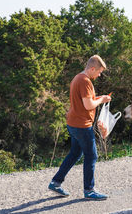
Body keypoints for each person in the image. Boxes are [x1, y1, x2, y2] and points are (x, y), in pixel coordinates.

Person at [48, 55, 111, 200]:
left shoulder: (78, 78)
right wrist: (101, 100)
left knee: (75, 153)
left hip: (73, 123)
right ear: (92, 68)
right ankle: (89, 190)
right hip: (82, 126)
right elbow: (88, 105)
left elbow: (85, 101)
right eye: (99, 72)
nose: (99, 75)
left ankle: (56, 182)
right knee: (91, 156)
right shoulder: (85, 81)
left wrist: (99, 97)